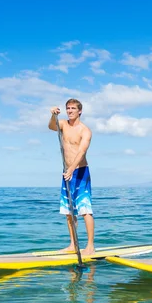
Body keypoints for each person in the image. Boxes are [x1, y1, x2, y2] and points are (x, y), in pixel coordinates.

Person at [49, 98, 95, 255]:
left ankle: (90, 246)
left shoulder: (85, 130)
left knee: (85, 209)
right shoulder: (62, 124)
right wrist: (53, 116)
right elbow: (51, 127)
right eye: (67, 108)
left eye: (73, 108)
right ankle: (73, 245)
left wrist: (72, 169)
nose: (69, 111)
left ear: (79, 111)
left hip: (80, 172)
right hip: (67, 172)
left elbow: (82, 151)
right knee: (69, 211)